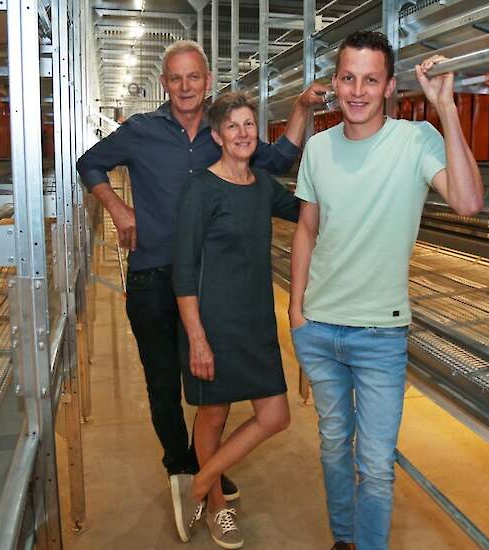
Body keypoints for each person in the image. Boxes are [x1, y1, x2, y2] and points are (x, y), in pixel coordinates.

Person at [75, 40, 326, 526]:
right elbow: (89, 162)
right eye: (176, 78)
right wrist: (117, 205)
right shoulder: (142, 130)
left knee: (211, 388)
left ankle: (205, 470)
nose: (186, 86)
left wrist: (299, 109)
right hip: (154, 272)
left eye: (194, 77)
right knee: (164, 382)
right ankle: (183, 466)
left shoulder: (221, 129)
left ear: (208, 81)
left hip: (206, 284)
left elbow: (275, 161)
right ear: (164, 84)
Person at [289, 31, 484, 550]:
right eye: (349, 78)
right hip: (320, 327)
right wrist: (296, 311)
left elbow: (467, 202)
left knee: (374, 465)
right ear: (335, 83)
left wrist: (447, 107)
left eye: (370, 80)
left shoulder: (416, 139)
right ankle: (343, 540)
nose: (358, 91)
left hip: (380, 336)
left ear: (389, 86)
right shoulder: (318, 148)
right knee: (333, 447)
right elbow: (306, 229)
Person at [172, 92, 300, 548]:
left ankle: (200, 482)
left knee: (276, 415)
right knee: (214, 411)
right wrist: (197, 339)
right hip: (213, 323)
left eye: (249, 125)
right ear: (217, 136)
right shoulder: (201, 188)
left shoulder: (263, 185)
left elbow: (307, 211)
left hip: (257, 322)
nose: (244, 134)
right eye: (234, 127)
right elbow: (183, 268)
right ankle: (218, 509)